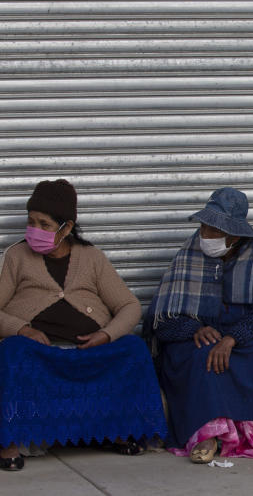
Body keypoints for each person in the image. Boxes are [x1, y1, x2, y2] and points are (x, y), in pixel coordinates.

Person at [0, 179, 166, 472]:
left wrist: (106, 334)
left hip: (89, 353)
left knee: (132, 349)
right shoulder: (16, 257)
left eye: (44, 224)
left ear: (66, 228)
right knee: (12, 353)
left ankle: (111, 431)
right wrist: (22, 329)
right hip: (41, 353)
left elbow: (128, 305)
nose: (35, 230)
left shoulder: (91, 258)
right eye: (31, 222)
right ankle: (10, 441)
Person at [146, 187, 253, 463]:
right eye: (204, 227)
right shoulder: (187, 256)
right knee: (199, 356)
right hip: (199, 333)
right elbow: (164, 320)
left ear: (234, 235)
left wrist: (232, 338)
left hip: (247, 333)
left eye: (214, 230)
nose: (205, 235)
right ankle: (206, 432)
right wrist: (192, 328)